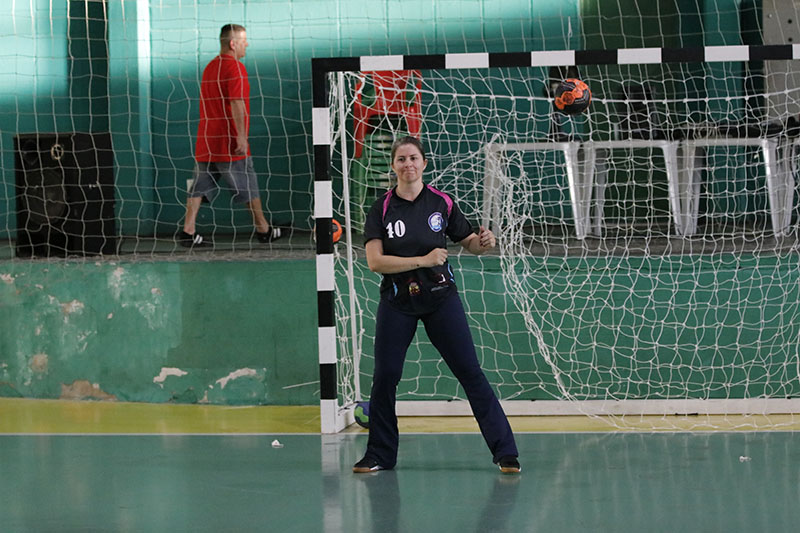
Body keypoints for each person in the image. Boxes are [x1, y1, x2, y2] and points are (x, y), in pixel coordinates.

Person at [353, 136, 520, 474]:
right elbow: (375, 262)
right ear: (393, 166)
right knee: (385, 376)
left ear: (424, 163)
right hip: (398, 301)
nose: (408, 164)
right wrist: (423, 260)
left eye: (413, 158)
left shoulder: (441, 202)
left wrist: (484, 242)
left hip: (441, 299)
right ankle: (379, 455)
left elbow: (469, 242)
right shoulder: (381, 208)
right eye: (401, 159)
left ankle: (506, 452)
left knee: (470, 371)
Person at [179, 23, 281, 247]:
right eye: (244, 41)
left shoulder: (210, 67)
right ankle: (263, 229)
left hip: (207, 140)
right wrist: (241, 137)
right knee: (247, 184)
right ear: (233, 44)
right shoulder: (235, 68)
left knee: (199, 186)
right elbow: (236, 103)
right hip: (228, 141)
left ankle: (188, 230)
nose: (247, 44)